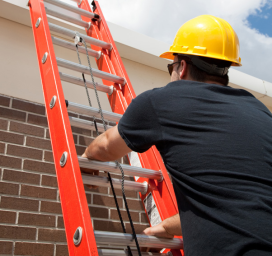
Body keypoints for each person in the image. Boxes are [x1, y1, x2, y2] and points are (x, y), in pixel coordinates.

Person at [82, 15, 272, 255]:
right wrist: (166, 226)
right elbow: (237, 204)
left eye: (170, 66)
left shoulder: (161, 100)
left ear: (182, 67)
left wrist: (86, 159)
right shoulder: (258, 109)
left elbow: (108, 146)